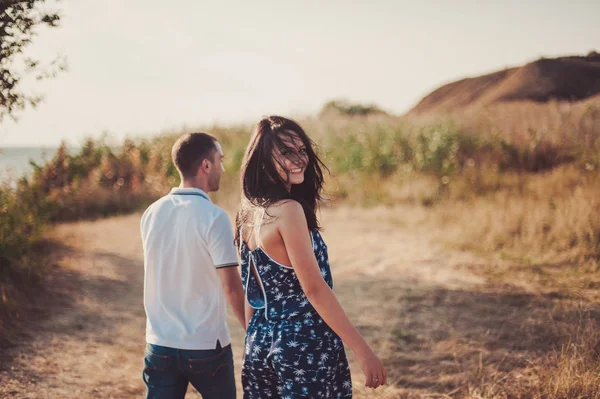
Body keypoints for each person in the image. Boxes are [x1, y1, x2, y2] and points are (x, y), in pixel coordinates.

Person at [236, 116, 387, 398]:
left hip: (258, 343)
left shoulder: (248, 213)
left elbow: (252, 293)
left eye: (302, 150)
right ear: (263, 158)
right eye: (286, 152)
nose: (298, 159)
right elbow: (314, 289)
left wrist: (253, 342)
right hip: (304, 346)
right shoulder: (289, 210)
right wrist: (362, 351)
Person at [140, 132, 245, 399]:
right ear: (206, 165)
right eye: (219, 160)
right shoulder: (214, 217)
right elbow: (231, 287)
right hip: (206, 346)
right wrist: (252, 331)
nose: (222, 167)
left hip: (159, 344)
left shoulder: (151, 213)